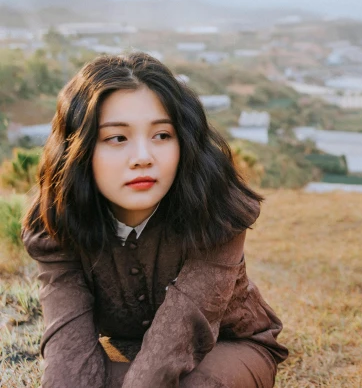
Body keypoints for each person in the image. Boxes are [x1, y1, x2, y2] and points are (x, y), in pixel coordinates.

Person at [22, 52, 288, 387]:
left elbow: (186, 320)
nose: (143, 158)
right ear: (80, 149)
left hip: (230, 346)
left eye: (162, 135)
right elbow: (67, 343)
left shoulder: (215, 211)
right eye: (117, 138)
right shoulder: (58, 222)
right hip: (129, 350)